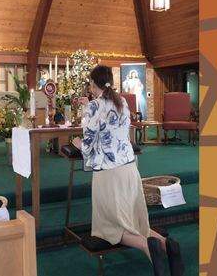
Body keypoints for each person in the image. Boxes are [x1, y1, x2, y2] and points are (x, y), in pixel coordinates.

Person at [72, 65, 184, 276]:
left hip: (109, 174)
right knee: (134, 220)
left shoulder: (95, 106)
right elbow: (111, 126)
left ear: (94, 84)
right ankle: (165, 242)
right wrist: (89, 106)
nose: (89, 86)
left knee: (109, 227)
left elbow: (88, 143)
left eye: (89, 82)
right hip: (129, 169)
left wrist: (77, 144)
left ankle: (145, 246)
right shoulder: (121, 101)